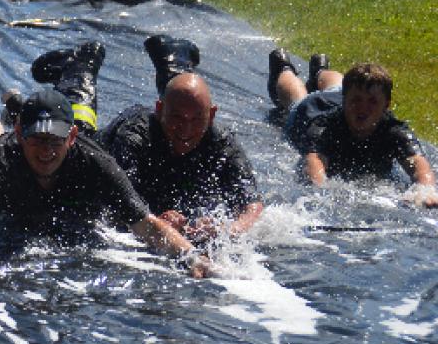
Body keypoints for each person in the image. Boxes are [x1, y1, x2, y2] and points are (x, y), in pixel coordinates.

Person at [0, 87, 211, 277]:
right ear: (20, 134)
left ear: (72, 136)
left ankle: (16, 111)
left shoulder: (96, 163)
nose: (46, 151)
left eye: (55, 140)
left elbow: (147, 224)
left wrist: (191, 256)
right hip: (2, 161)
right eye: (37, 139)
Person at [97, 36, 263, 243]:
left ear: (211, 116)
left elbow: (252, 205)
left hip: (174, 111)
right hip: (101, 144)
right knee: (74, 131)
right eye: (177, 119)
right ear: (159, 111)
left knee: (185, 98)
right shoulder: (133, 137)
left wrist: (228, 230)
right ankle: (77, 72)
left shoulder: (221, 141)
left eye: (197, 120)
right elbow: (120, 203)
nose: (186, 130)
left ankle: (174, 59)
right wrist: (156, 221)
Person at [268, 50, 438, 207]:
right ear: (346, 99)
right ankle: (284, 69)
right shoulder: (325, 126)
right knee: (298, 98)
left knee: (336, 86)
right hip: (313, 109)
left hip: (340, 93)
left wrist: (425, 190)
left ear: (386, 105)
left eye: (372, 101)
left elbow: (418, 163)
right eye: (357, 100)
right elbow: (314, 161)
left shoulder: (394, 130)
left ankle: (319, 71)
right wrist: (319, 190)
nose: (363, 108)